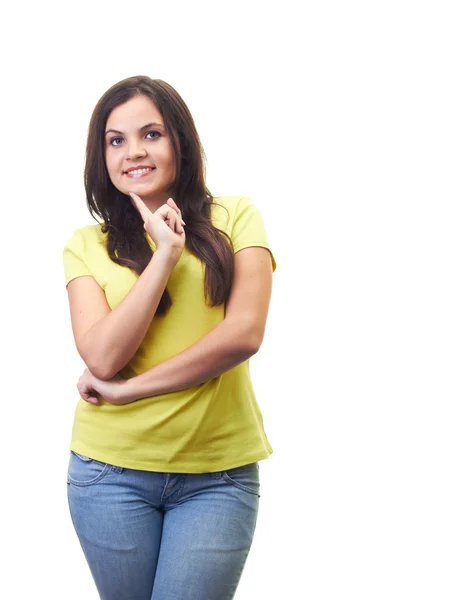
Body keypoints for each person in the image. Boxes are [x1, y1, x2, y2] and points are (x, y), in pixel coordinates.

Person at [62, 75, 276, 600]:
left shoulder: (236, 217)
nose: (134, 151)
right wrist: (164, 255)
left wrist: (130, 391)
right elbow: (104, 357)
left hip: (217, 477)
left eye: (151, 134)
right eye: (116, 140)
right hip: (107, 475)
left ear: (179, 139)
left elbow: (243, 335)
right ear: (101, 156)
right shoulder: (86, 244)